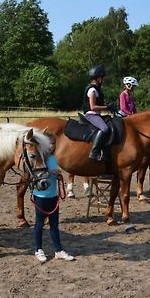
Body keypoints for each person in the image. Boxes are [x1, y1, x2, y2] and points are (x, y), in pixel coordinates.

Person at [33, 133, 75, 263]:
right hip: (40, 195)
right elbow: (37, 173)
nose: (51, 146)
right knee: (39, 224)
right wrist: (51, 172)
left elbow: (54, 171)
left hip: (52, 195)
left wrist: (57, 174)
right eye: (49, 143)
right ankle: (38, 249)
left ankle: (58, 250)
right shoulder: (39, 159)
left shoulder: (53, 158)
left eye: (53, 144)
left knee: (54, 225)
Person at [84, 65, 115, 160]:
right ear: (97, 78)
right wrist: (107, 107)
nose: (103, 80)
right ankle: (94, 151)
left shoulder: (97, 89)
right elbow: (93, 107)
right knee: (105, 128)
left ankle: (106, 152)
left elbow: (98, 103)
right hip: (91, 115)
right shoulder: (92, 90)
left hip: (97, 115)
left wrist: (109, 106)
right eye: (102, 77)